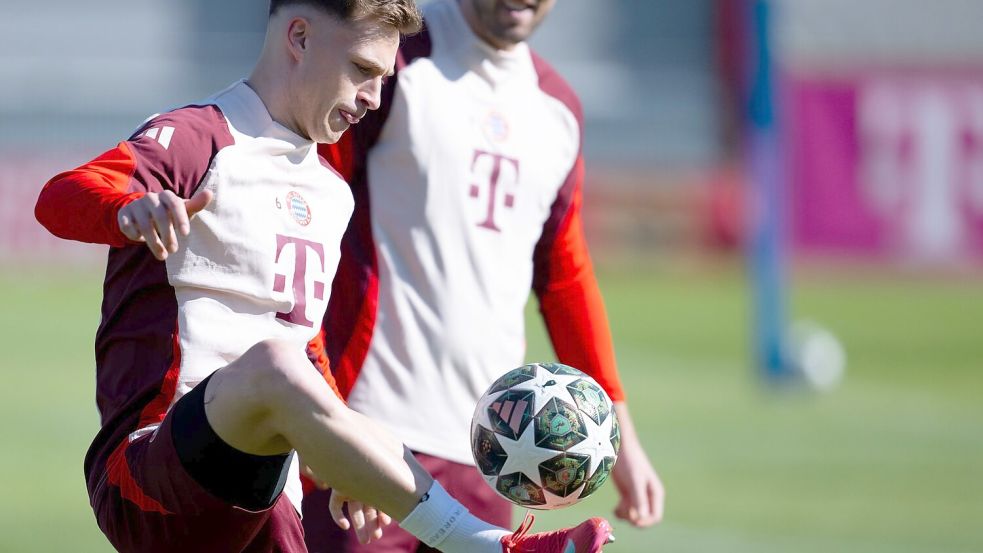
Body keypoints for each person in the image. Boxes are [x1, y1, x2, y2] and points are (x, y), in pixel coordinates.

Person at [33, 1, 615, 552]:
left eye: (385, 77)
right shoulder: (199, 138)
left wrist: (342, 459)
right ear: (300, 37)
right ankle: (482, 541)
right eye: (362, 69)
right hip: (153, 473)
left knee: (369, 428)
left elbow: (307, 348)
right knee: (275, 366)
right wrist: (128, 210)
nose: (372, 97)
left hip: (265, 495)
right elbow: (60, 197)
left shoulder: (330, 194)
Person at [304, 0, 666, 551]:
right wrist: (321, 412)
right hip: (369, 430)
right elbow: (308, 204)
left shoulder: (558, 108)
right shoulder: (390, 63)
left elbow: (564, 273)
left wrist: (624, 437)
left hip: (498, 447)